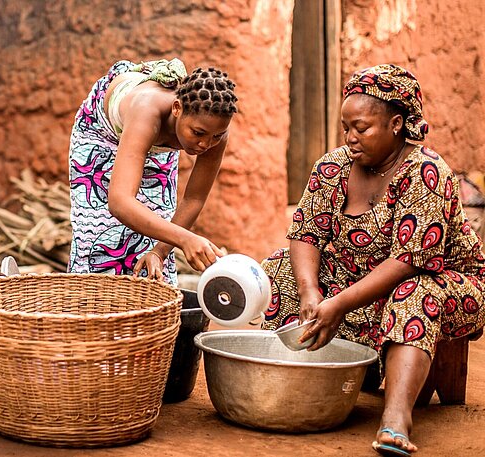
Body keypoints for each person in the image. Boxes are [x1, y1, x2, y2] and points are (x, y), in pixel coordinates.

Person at [260, 64, 485, 456]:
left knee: (414, 292)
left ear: (396, 124)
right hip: (361, 281)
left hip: (443, 283)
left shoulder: (426, 172)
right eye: (346, 127)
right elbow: (305, 233)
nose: (350, 138)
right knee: (279, 267)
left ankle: (396, 420)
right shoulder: (333, 167)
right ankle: (292, 381)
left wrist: (340, 303)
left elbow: (410, 260)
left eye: (361, 128)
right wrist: (311, 292)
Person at [68, 58, 238, 284]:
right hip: (102, 132)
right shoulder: (147, 110)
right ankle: (91, 307)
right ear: (177, 109)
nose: (205, 145)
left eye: (215, 137)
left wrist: (160, 251)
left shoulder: (213, 131)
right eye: (198, 133)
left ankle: (150, 314)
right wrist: (185, 239)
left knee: (154, 239)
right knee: (100, 240)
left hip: (162, 136)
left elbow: (194, 198)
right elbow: (119, 201)